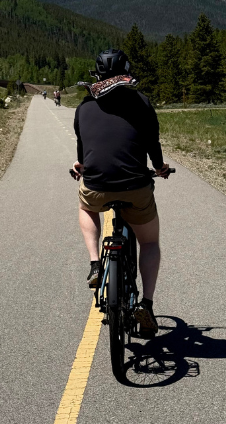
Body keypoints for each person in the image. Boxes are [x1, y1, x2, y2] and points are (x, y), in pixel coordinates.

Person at [71, 48, 172, 338]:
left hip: (97, 185)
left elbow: (83, 152)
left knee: (87, 206)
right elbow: (152, 143)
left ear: (97, 74)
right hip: (136, 187)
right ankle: (148, 305)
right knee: (150, 242)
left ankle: (94, 263)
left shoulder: (84, 107)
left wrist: (82, 167)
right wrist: (160, 167)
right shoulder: (141, 102)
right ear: (126, 72)